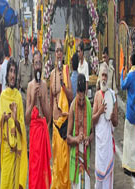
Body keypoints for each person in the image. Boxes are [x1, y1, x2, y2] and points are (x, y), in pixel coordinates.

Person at [0, 58, 28, 189]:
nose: (12, 75)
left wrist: (15, 120)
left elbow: (23, 128)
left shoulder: (18, 97)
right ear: (7, 74)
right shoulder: (3, 96)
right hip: (6, 150)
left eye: (14, 72)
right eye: (10, 71)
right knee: (5, 183)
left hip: (16, 151)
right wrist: (4, 119)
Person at [25, 50, 52, 189]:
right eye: (36, 63)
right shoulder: (30, 86)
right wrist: (33, 100)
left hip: (43, 132)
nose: (38, 66)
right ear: (33, 66)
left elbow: (48, 116)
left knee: (44, 170)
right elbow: (26, 118)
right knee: (35, 170)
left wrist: (41, 100)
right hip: (34, 134)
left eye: (40, 63)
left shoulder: (44, 85)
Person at [50, 41, 73, 188]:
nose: (58, 53)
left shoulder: (66, 71)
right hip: (54, 122)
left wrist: (63, 85)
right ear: (54, 54)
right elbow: (52, 98)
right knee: (56, 160)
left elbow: (71, 96)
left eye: (60, 51)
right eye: (56, 51)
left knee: (65, 162)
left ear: (63, 54)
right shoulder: (51, 74)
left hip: (64, 123)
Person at [92, 63, 118, 189]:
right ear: (99, 77)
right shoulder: (97, 96)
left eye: (105, 76)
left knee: (108, 179)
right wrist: (100, 111)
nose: (104, 78)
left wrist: (113, 118)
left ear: (108, 78)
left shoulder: (113, 96)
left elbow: (116, 122)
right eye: (102, 75)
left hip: (108, 142)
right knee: (99, 179)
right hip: (100, 141)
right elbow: (93, 120)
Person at [67, 74, 93, 188]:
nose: (82, 102)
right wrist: (76, 139)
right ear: (77, 92)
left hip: (85, 158)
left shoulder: (88, 105)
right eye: (80, 99)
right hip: (75, 158)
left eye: (83, 99)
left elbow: (92, 133)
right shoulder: (72, 106)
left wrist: (88, 140)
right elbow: (68, 138)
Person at [120, 53, 135, 177]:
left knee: (128, 139)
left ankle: (128, 166)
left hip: (129, 111)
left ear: (130, 60)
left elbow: (123, 86)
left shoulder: (130, 75)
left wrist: (121, 73)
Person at [18, 43, 33, 112]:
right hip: (22, 94)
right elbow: (18, 79)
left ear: (29, 52)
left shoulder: (31, 66)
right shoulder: (20, 64)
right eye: (25, 51)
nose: (26, 52)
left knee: (28, 114)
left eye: (27, 51)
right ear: (24, 52)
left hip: (29, 95)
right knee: (21, 114)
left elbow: (33, 81)